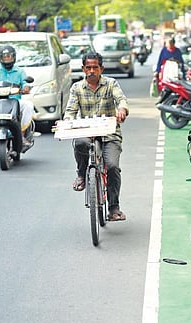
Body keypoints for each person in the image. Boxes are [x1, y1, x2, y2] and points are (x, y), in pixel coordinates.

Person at [64, 52, 129, 221]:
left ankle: (114, 207)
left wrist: (122, 109)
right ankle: (81, 174)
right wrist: (67, 123)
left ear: (101, 69)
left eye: (95, 67)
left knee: (113, 166)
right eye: (88, 67)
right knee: (79, 143)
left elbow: (121, 99)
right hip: (87, 133)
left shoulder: (111, 83)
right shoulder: (76, 88)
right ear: (83, 69)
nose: (92, 71)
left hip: (110, 134)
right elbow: (70, 111)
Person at [0, 45, 34, 147]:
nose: (7, 59)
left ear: (14, 57)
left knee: (28, 105)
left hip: (15, 101)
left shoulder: (19, 71)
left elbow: (25, 82)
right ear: (0, 58)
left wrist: (26, 88)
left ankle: (21, 135)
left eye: (9, 56)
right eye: (5, 57)